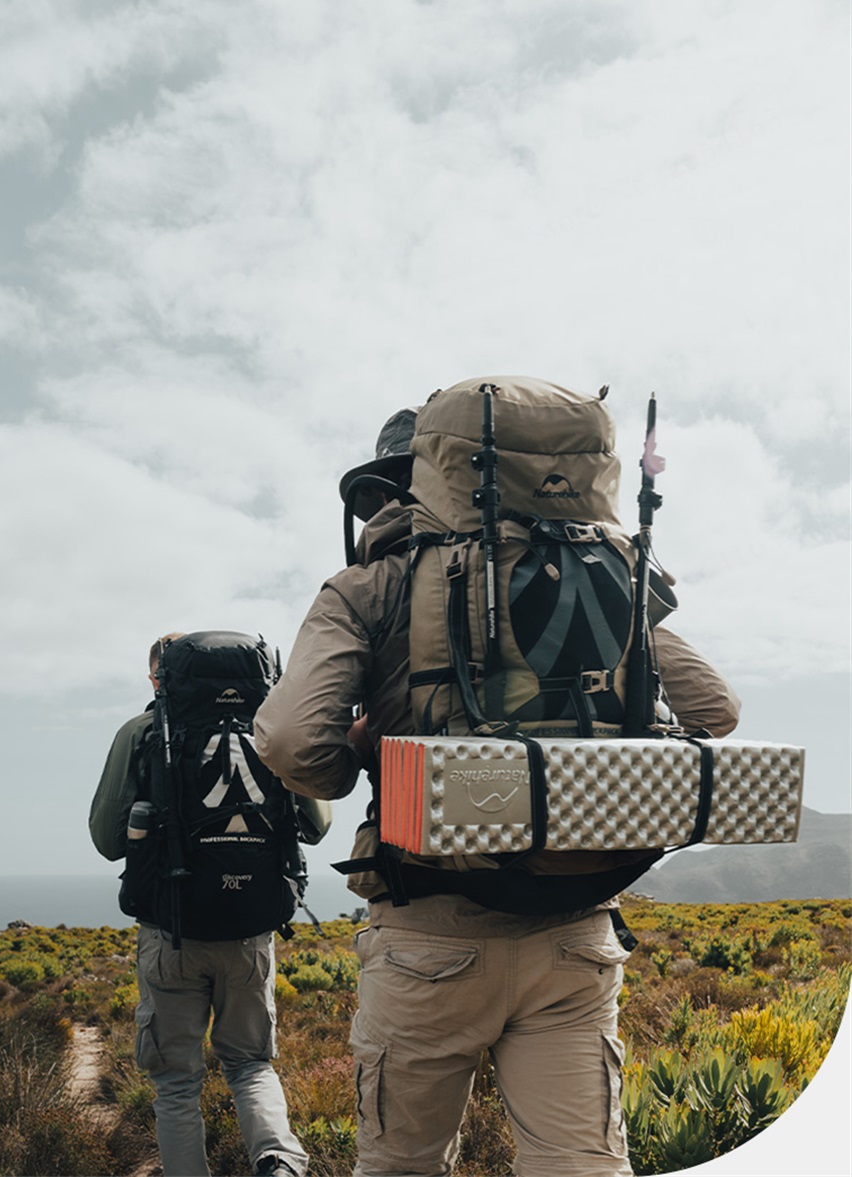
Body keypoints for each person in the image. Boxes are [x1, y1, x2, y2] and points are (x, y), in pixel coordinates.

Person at [254, 394, 741, 1177]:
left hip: (428, 934)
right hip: (576, 933)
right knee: (578, 1165)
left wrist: (351, 756)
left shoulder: (366, 586)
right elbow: (715, 710)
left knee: (402, 1165)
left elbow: (287, 740)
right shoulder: (600, 574)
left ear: (394, 491)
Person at [90, 633, 323, 1177]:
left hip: (171, 932)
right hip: (249, 933)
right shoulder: (269, 730)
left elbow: (105, 840)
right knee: (250, 1065)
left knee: (175, 1084)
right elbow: (316, 824)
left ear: (160, 679)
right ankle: (279, 1162)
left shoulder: (141, 733)